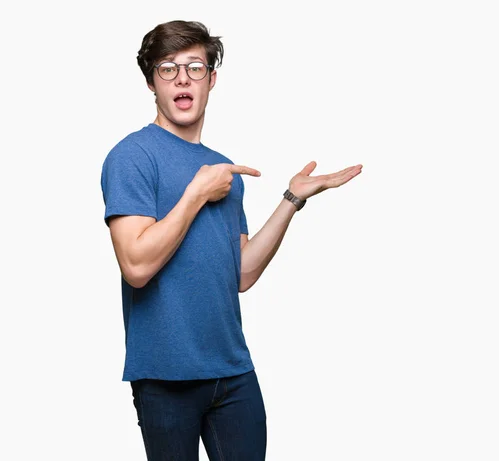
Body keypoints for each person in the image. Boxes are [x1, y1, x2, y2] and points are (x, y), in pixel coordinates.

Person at [100, 19, 362, 461]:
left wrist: (292, 199)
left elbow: (240, 272)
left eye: (195, 67)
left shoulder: (223, 170)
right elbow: (136, 266)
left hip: (232, 370)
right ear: (152, 82)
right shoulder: (132, 156)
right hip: (166, 377)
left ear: (211, 80)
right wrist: (197, 193)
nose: (182, 78)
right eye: (168, 68)